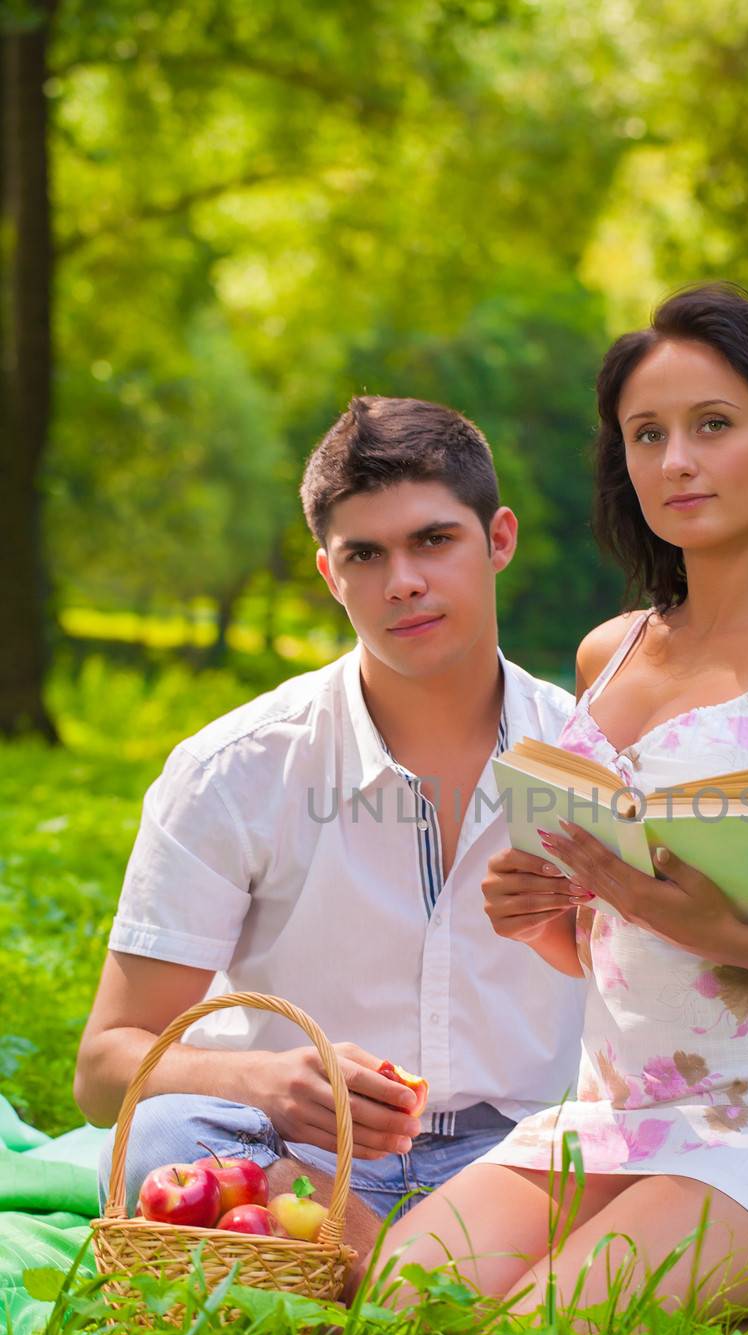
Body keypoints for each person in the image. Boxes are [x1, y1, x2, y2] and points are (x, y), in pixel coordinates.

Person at [376, 285, 748, 1324]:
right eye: (647, 434)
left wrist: (723, 931)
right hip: (614, 1117)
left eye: (712, 426)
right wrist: (549, 915)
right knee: (396, 1304)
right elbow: (612, 941)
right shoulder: (613, 648)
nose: (674, 460)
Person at [76, 397, 586, 1253]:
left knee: (668, 1159)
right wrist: (267, 1082)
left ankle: (368, 1283)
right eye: (366, 554)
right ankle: (431, 1290)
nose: (404, 582)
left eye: (433, 540)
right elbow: (105, 1068)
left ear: (498, 540)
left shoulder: (588, 756)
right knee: (162, 1148)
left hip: (523, 1163)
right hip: (298, 1161)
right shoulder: (230, 770)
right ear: (329, 574)